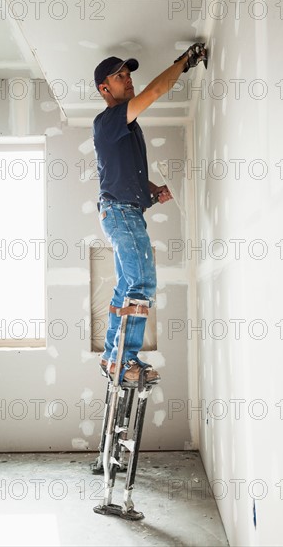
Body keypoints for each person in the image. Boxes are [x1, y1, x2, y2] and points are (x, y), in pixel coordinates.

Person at [93, 44, 207, 387]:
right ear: (105, 88)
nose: (128, 81)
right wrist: (184, 62)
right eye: (121, 76)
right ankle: (121, 359)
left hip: (123, 212)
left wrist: (151, 191)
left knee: (129, 284)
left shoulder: (121, 127)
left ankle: (114, 357)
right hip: (121, 214)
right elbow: (155, 90)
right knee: (141, 282)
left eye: (129, 75)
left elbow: (122, 174)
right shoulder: (111, 119)